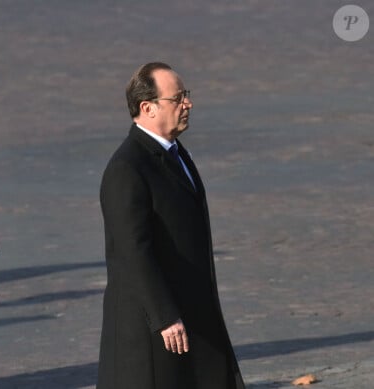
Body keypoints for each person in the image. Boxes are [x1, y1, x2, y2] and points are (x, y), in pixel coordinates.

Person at [97, 62, 245, 389]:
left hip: (193, 313)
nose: (187, 104)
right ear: (147, 108)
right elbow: (132, 251)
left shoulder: (176, 153)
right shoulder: (127, 168)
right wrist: (164, 315)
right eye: (177, 98)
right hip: (154, 329)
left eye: (186, 95)